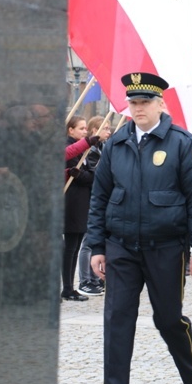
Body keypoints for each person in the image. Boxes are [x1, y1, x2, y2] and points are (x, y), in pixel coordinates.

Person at [85, 72, 192, 384]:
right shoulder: (116, 143)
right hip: (121, 247)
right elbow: (99, 197)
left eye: (145, 102)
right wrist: (97, 246)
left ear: (161, 104)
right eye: (133, 103)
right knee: (116, 324)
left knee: (169, 321)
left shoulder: (182, 143)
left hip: (166, 248)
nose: (138, 109)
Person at [62, 115, 99, 302]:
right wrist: (83, 176)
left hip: (80, 201)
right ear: (71, 130)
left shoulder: (81, 150)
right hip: (71, 201)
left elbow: (89, 174)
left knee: (75, 246)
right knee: (70, 247)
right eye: (82, 128)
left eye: (86, 128)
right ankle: (67, 287)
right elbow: (78, 174)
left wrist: (85, 175)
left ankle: (70, 286)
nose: (85, 131)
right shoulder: (69, 147)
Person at [76, 115, 111, 296]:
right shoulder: (89, 150)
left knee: (98, 239)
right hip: (89, 199)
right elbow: (93, 173)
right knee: (88, 242)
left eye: (109, 127)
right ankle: (85, 280)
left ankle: (96, 277)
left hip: (101, 199)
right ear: (94, 130)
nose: (109, 131)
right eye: (104, 128)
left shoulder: (104, 148)